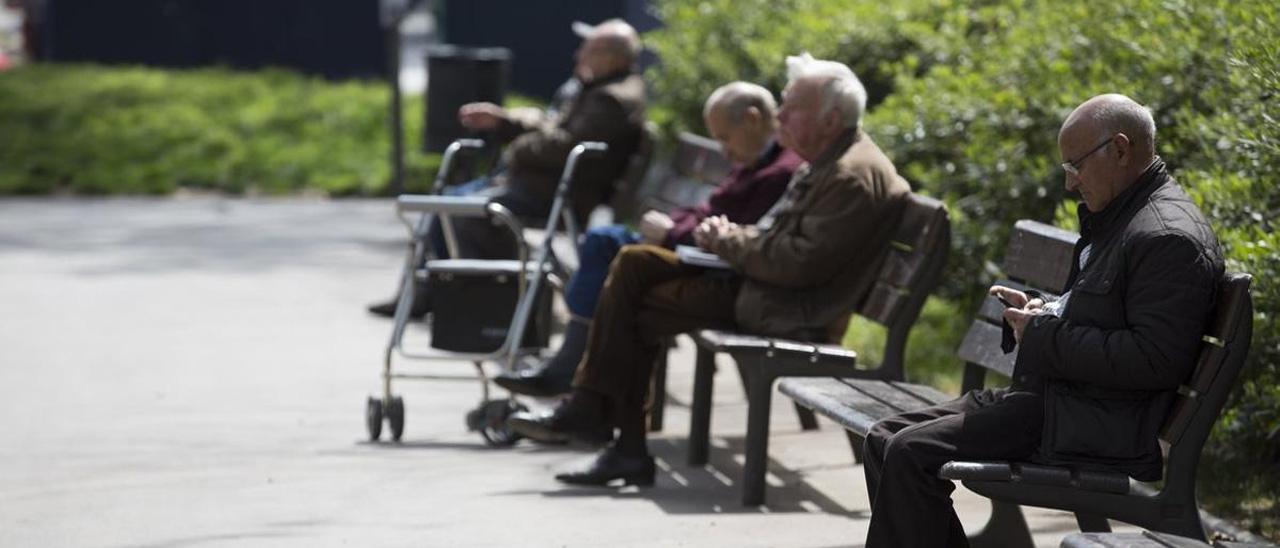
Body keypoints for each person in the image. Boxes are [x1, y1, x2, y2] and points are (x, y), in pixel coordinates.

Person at [507, 53, 912, 487]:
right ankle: (603, 426)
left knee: (634, 287)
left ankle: (603, 425)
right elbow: (781, 244)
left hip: (789, 307)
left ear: (830, 119)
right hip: (768, 290)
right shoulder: (832, 159)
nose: (780, 116)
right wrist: (731, 235)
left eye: (792, 108)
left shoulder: (850, 174)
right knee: (634, 267)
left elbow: (795, 265)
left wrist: (725, 238)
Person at [860, 93, 1223, 548]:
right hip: (1057, 401)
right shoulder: (1122, 216)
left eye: (1076, 166)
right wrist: (1043, 309)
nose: (1070, 183)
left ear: (1121, 149)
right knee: (883, 437)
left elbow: (1154, 359)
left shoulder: (1167, 237)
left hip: (1088, 422)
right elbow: (1101, 312)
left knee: (910, 453)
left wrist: (1043, 333)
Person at [492, 81, 804, 397]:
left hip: (712, 269)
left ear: (751, 119)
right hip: (692, 253)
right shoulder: (755, 160)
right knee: (607, 245)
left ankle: (577, 378)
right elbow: (706, 211)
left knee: (616, 257)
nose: (723, 151)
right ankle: (578, 378)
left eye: (724, 138)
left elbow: (732, 232)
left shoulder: (777, 171)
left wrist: (670, 231)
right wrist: (672, 226)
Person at [368, 18, 647, 317]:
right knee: (444, 203)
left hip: (553, 194)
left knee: (455, 210)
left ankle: (474, 302)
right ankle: (429, 293)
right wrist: (505, 121)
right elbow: (552, 126)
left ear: (609, 57)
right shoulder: (597, 88)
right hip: (539, 184)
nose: (578, 55)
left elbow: (562, 146)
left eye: (587, 49)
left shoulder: (610, 99)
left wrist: (516, 147)